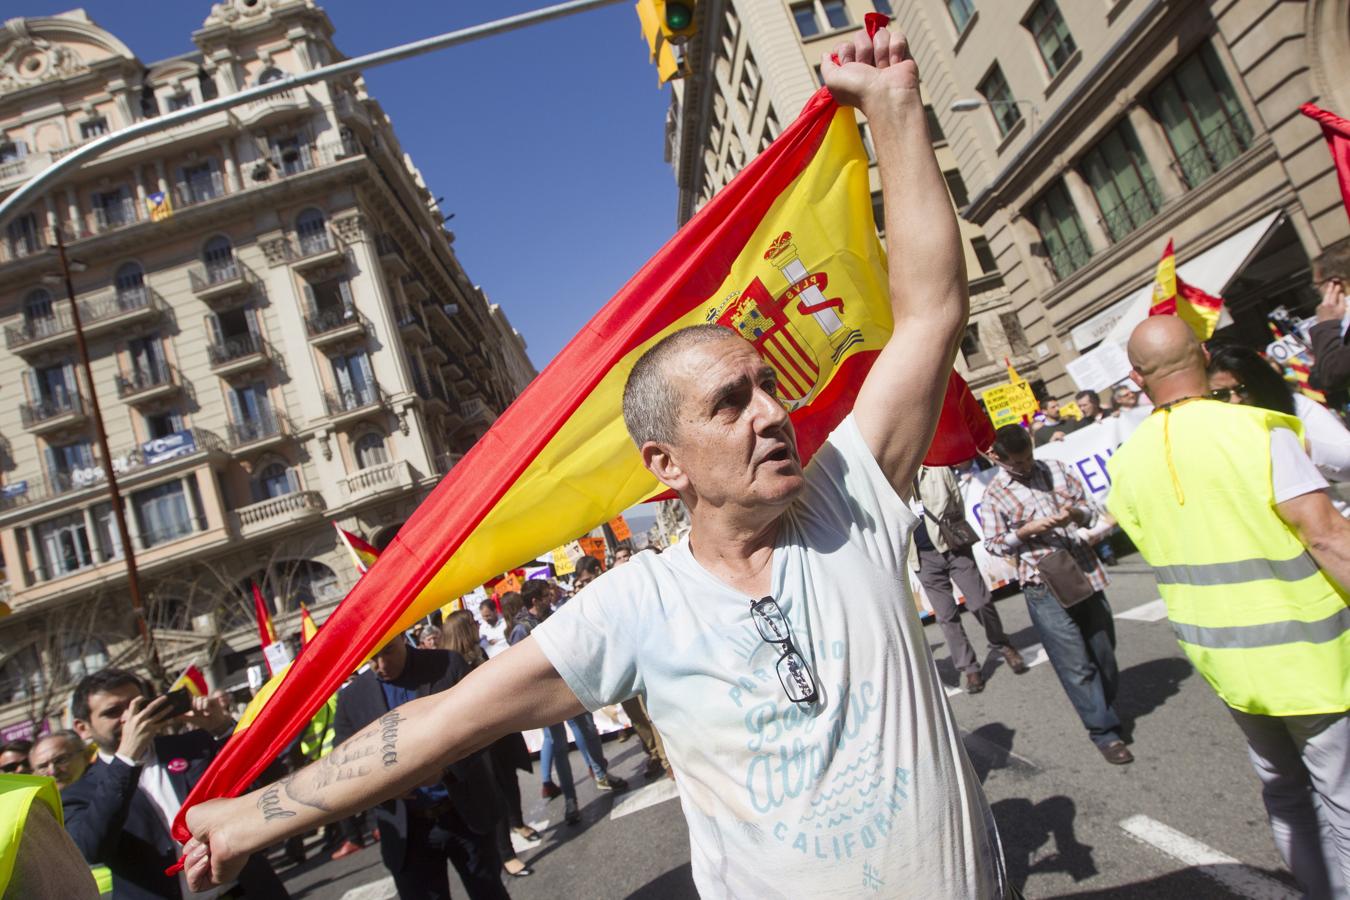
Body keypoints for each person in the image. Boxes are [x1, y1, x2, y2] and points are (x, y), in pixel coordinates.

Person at [183, 26, 1010, 898]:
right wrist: (251, 816)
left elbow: (929, 313)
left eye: (767, 388)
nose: (773, 414)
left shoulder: (852, 497)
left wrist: (895, 110)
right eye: (730, 404)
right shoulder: (635, 607)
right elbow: (440, 727)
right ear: (666, 463)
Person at [1108, 315, 1350, 898]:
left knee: (1286, 794)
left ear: (1138, 378)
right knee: (1342, 804)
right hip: (1309, 657)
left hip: (1225, 660)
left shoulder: (1128, 463)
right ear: (1205, 353)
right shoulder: (1255, 430)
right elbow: (1326, 537)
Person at [64, 667, 289, 899]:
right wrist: (126, 759)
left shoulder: (193, 746)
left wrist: (222, 728)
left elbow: (274, 783)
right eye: (113, 712)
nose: (129, 718)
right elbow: (93, 849)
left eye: (136, 706)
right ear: (83, 728)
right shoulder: (78, 794)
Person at [983, 425, 1133, 765]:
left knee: (1103, 650)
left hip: (1082, 569)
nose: (1024, 468)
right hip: (1042, 583)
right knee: (1075, 663)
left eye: (1027, 459)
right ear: (998, 458)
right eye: (1016, 464)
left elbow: (1090, 507)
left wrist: (1075, 514)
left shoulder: (1056, 469)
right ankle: (1104, 732)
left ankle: (1102, 705)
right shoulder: (994, 494)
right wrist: (1024, 532)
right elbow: (993, 544)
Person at [332, 635, 508, 900]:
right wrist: (383, 787)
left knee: (488, 891)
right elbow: (344, 764)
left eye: (388, 651)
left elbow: (484, 725)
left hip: (466, 815)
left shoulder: (447, 665)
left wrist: (445, 769)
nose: (381, 664)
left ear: (403, 637)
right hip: (406, 832)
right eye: (370, 657)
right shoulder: (351, 700)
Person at [911, 464, 1027, 693]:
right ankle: (969, 668)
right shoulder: (891, 479)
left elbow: (956, 501)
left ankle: (1002, 643)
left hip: (953, 547)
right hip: (923, 558)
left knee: (980, 602)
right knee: (946, 616)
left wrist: (953, 535)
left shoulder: (936, 468)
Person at [442, 611, 535, 879]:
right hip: (480, 741)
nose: (477, 626)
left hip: (499, 732)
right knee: (493, 793)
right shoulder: (453, 664)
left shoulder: (476, 652)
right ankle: (506, 854)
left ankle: (519, 823)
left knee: (510, 780)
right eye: (471, 624)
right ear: (462, 630)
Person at [519, 579, 628, 795]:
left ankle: (600, 773)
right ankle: (569, 800)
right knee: (558, 744)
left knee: (587, 729)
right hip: (547, 694)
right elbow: (522, 667)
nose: (550, 597)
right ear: (535, 600)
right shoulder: (522, 628)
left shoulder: (552, 615)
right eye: (545, 595)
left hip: (571, 682)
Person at [583, 552, 671, 779]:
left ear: (596, 571)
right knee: (636, 717)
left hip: (641, 660)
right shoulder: (585, 602)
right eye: (581, 582)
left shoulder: (615, 587)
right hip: (617, 668)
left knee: (651, 712)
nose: (583, 585)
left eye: (585, 579)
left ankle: (667, 760)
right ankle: (653, 753)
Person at [1207, 344, 1350, 483]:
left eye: (1243, 389)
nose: (1235, 400)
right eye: (1220, 394)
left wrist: (1292, 441)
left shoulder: (1296, 405)